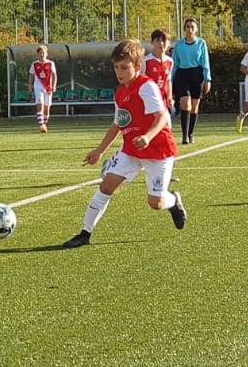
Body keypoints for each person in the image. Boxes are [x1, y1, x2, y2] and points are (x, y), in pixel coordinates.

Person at [61, 40, 186, 248]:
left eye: (124, 67)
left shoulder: (146, 87)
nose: (119, 72)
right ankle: (85, 234)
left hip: (158, 150)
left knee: (156, 203)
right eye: (116, 67)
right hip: (132, 149)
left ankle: (173, 199)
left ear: (137, 66)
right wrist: (99, 151)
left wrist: (147, 137)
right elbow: (118, 124)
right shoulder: (120, 92)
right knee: (107, 184)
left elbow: (162, 116)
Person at [170, 18, 211, 145]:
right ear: (184, 29)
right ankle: (184, 136)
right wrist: (170, 81)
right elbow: (174, 64)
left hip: (196, 75)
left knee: (194, 107)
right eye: (187, 26)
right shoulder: (179, 45)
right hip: (182, 75)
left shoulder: (201, 43)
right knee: (185, 104)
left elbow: (205, 62)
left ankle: (191, 133)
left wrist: (207, 79)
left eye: (192, 27)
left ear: (196, 29)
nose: (190, 29)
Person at [143, 28, 174, 111]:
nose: (161, 43)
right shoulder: (146, 60)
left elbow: (168, 81)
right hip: (148, 99)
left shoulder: (170, 61)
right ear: (152, 42)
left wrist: (169, 97)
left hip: (162, 100)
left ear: (169, 43)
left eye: (164, 40)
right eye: (158, 40)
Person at [29, 45, 58, 133]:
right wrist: (30, 86)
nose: (42, 54)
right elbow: (31, 75)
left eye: (43, 53)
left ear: (46, 54)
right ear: (38, 54)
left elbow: (54, 75)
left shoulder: (51, 63)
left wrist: (54, 85)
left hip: (48, 88)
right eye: (40, 53)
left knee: (47, 109)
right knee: (40, 105)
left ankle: (44, 123)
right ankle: (41, 126)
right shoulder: (34, 64)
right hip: (38, 87)